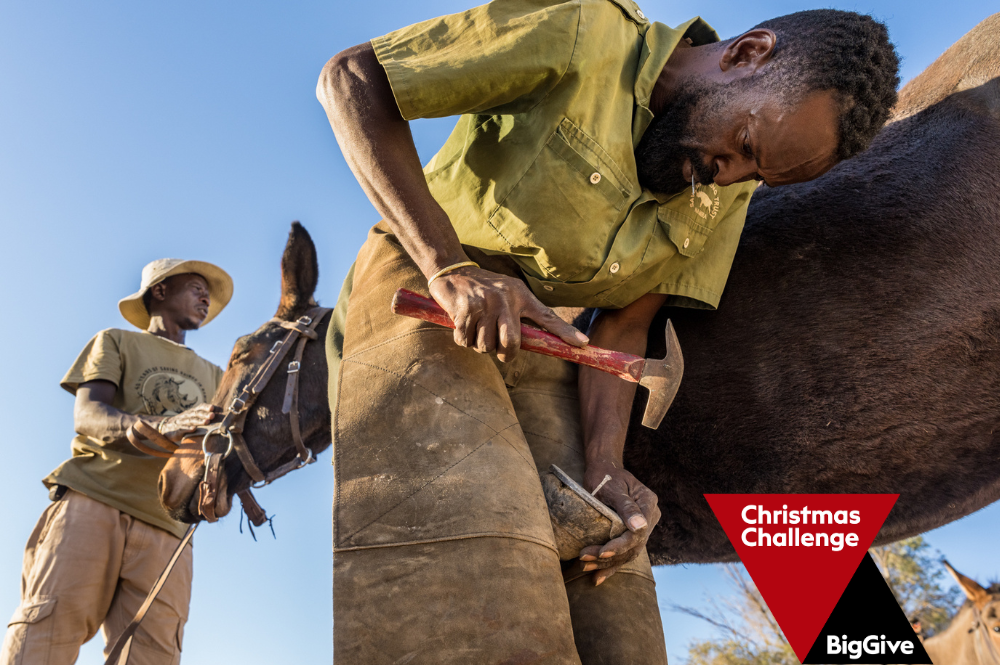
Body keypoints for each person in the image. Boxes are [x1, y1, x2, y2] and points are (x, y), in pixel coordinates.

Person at [317, 2, 899, 662]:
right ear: (747, 54)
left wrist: (605, 464)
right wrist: (447, 265)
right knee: (475, 558)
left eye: (754, 173)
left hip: (544, 337)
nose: (729, 174)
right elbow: (350, 79)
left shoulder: (723, 187)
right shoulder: (585, 28)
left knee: (607, 566)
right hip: (424, 289)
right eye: (743, 146)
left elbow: (626, 321)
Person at [1, 259, 233, 665]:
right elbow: (89, 415)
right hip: (94, 499)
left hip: (169, 527)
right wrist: (168, 423)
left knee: (152, 655)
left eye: (208, 294)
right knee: (44, 638)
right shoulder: (116, 341)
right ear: (159, 291)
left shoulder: (218, 376)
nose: (205, 298)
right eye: (196, 286)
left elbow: (221, 447)